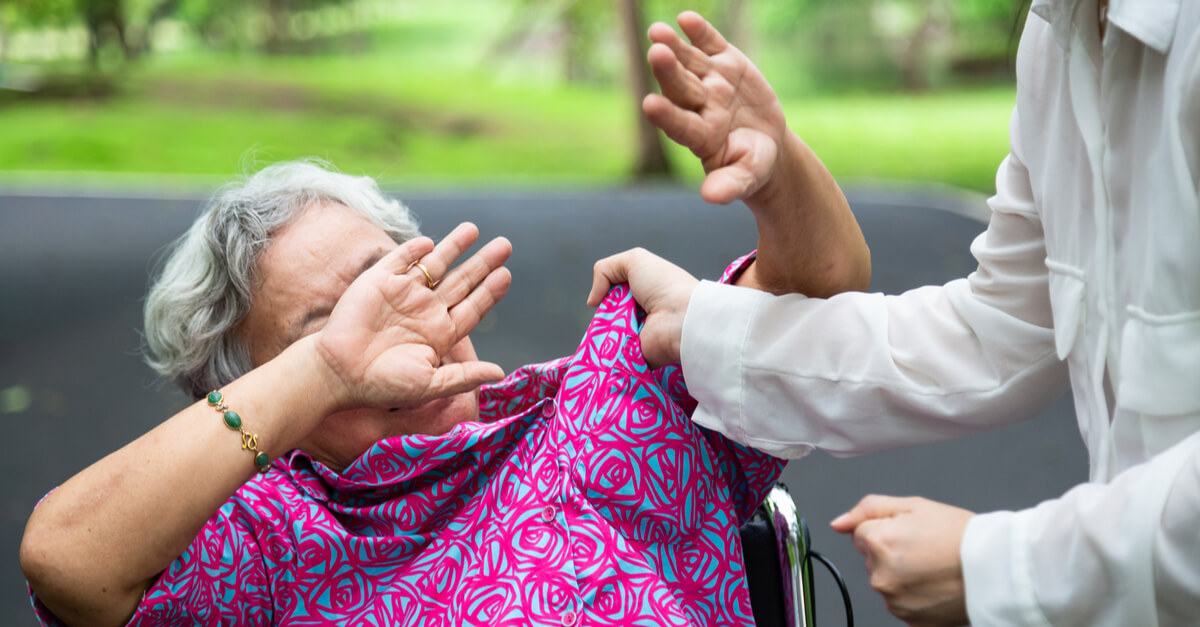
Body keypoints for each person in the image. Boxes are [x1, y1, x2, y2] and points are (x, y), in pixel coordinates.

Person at [18, 160, 838, 626]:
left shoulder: (611, 394)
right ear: (259, 394)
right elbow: (65, 561)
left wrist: (777, 170)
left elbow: (818, 299)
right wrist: (327, 370)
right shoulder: (269, 532)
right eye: (326, 325)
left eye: (394, 283)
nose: (394, 332)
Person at [593, 4, 1200, 626]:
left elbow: (830, 271)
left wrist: (1000, 567)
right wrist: (700, 325)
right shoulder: (1057, 37)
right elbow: (994, 333)